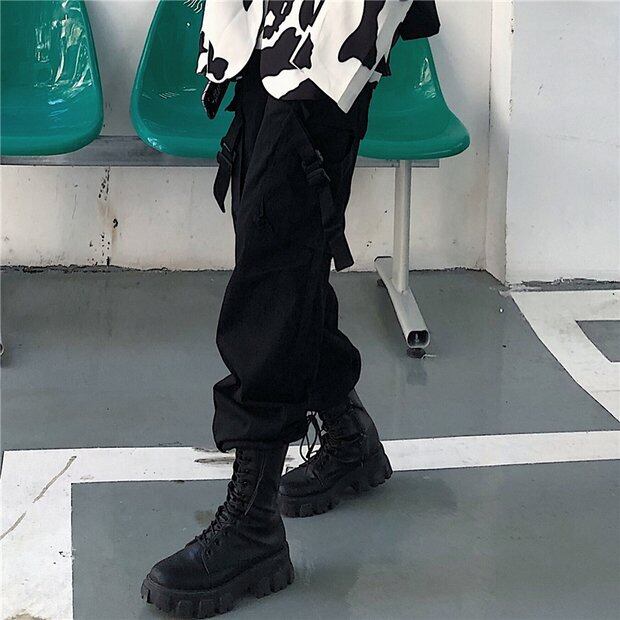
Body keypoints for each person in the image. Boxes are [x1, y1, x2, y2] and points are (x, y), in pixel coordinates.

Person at [141, 2, 440, 617]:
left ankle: (252, 526)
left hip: (331, 23)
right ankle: (347, 431)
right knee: (275, 232)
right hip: (270, 18)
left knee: (275, 251)